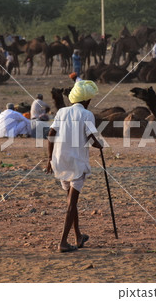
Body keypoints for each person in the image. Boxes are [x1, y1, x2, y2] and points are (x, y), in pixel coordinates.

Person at [46, 80, 103, 253]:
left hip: (60, 162)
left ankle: (78, 236)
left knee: (71, 200)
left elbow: (51, 134)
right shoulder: (87, 114)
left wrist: (49, 158)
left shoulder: (61, 112)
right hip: (77, 163)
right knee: (71, 204)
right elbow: (92, 139)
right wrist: (99, 145)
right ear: (87, 101)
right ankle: (63, 242)